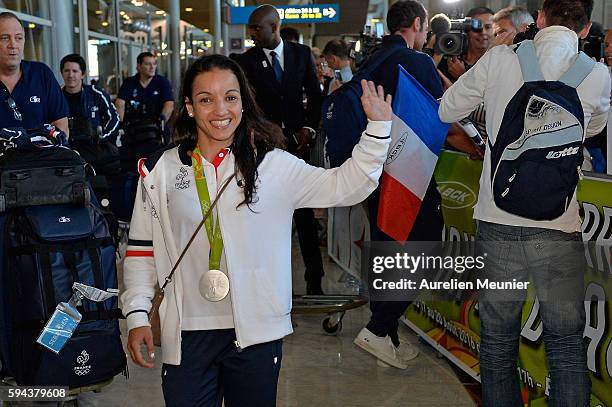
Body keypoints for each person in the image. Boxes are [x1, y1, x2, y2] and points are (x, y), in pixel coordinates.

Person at [122, 54, 393, 407]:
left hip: (257, 332)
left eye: (230, 97)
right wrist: (138, 315)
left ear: (243, 102)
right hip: (185, 331)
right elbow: (142, 250)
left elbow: (346, 185)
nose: (220, 110)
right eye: (206, 99)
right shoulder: (160, 171)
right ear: (189, 107)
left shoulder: (272, 165)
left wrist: (377, 131)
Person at [439, 0, 610, 405]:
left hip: (497, 217)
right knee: (566, 347)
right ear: (586, 29)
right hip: (558, 223)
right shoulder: (597, 74)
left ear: (541, 18)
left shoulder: (500, 58)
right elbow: (595, 126)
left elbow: (447, 109)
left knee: (498, 342)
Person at [351, 0, 445, 370]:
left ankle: (386, 333)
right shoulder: (416, 62)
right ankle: (379, 327)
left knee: (388, 248)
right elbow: (439, 115)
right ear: (418, 25)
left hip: (374, 169)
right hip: (410, 172)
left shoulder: (370, 58)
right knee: (424, 247)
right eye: (425, 30)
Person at [235, 5, 325, 294]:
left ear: (273, 27)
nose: (251, 34)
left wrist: (308, 129)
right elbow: (248, 106)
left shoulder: (300, 55)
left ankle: (315, 281)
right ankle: (268, 284)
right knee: (266, 215)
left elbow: (314, 95)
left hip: (299, 147)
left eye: (255, 28)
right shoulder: (246, 61)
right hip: (265, 150)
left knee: (304, 213)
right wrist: (264, 134)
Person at [0, 12, 68, 133]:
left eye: (18, 38)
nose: (13, 45)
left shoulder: (42, 74)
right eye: (5, 38)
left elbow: (61, 125)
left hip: (42, 151)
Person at [61, 53, 119, 144]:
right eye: (67, 71)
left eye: (75, 71)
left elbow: (114, 118)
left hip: (94, 148)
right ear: (62, 73)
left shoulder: (96, 94)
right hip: (67, 149)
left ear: (82, 74)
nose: (70, 75)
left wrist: (103, 137)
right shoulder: (56, 97)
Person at [438, 7, 494, 83]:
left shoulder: (497, 65)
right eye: (476, 27)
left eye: (488, 27)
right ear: (466, 30)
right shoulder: (448, 61)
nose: (483, 32)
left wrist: (462, 76)